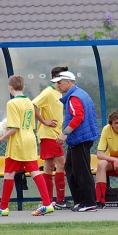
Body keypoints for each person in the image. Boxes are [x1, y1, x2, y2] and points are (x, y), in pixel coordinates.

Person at [0, 75, 54, 217]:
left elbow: (15, 127)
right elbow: (31, 117)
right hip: (30, 139)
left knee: (9, 173)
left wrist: (1, 138)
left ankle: (3, 207)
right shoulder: (29, 102)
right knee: (35, 171)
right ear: (23, 87)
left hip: (18, 142)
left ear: (10, 87)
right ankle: (47, 204)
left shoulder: (11, 103)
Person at [54, 71, 100, 212]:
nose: (57, 85)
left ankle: (89, 203)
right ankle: (80, 201)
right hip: (80, 138)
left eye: (60, 82)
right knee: (71, 168)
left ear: (69, 82)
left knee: (81, 171)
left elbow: (78, 116)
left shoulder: (74, 97)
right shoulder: (79, 93)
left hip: (80, 138)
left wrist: (65, 133)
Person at [32, 66, 72, 210]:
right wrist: (44, 121)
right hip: (49, 135)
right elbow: (32, 105)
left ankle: (48, 201)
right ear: (57, 78)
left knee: (49, 166)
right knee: (62, 163)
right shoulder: (48, 92)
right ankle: (60, 201)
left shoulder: (59, 93)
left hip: (53, 134)